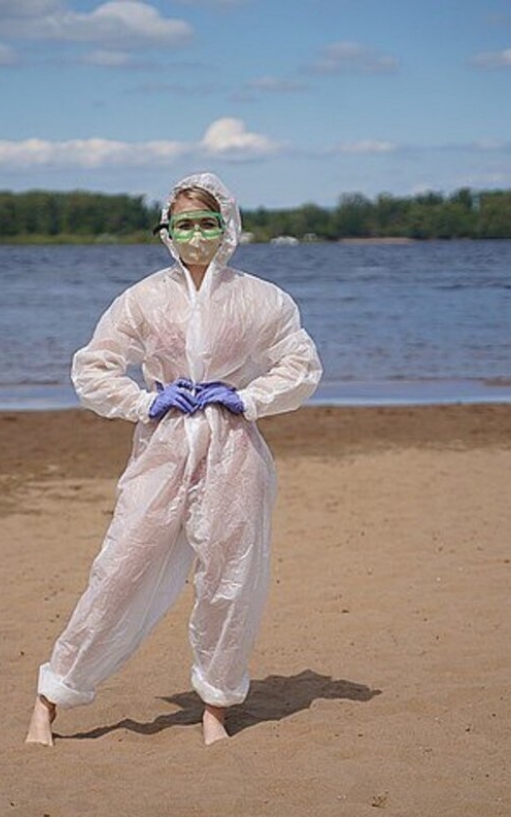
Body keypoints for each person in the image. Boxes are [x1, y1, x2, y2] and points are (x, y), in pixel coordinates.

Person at [25, 171, 322, 747]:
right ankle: (52, 695)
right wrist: (145, 401)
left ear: (227, 226)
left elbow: (300, 363)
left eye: (207, 223)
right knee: (120, 569)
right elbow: (94, 367)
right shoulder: (144, 298)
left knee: (231, 580)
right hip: (163, 450)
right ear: (166, 230)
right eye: (184, 224)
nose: (196, 235)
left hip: (233, 449)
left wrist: (246, 398)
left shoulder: (260, 298)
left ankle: (216, 704)